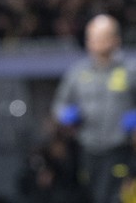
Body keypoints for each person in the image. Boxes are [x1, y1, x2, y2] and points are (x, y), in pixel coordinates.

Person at [52, 14, 136, 203]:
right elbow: (59, 104)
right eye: (92, 37)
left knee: (113, 196)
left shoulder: (131, 70)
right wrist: (65, 115)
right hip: (87, 148)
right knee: (91, 196)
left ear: (116, 39)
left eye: (103, 36)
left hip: (120, 148)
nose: (97, 42)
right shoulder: (77, 73)